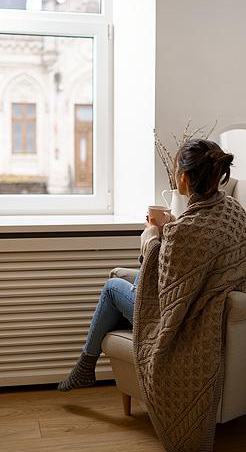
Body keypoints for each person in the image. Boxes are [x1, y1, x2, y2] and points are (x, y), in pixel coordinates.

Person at [57, 137, 231, 392]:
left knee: (112, 287)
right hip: (207, 305)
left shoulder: (187, 228)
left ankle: (85, 365)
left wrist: (150, 239)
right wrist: (170, 230)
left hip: (180, 316)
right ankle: (85, 366)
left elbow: (161, 281)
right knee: (128, 283)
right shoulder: (230, 210)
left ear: (183, 177)